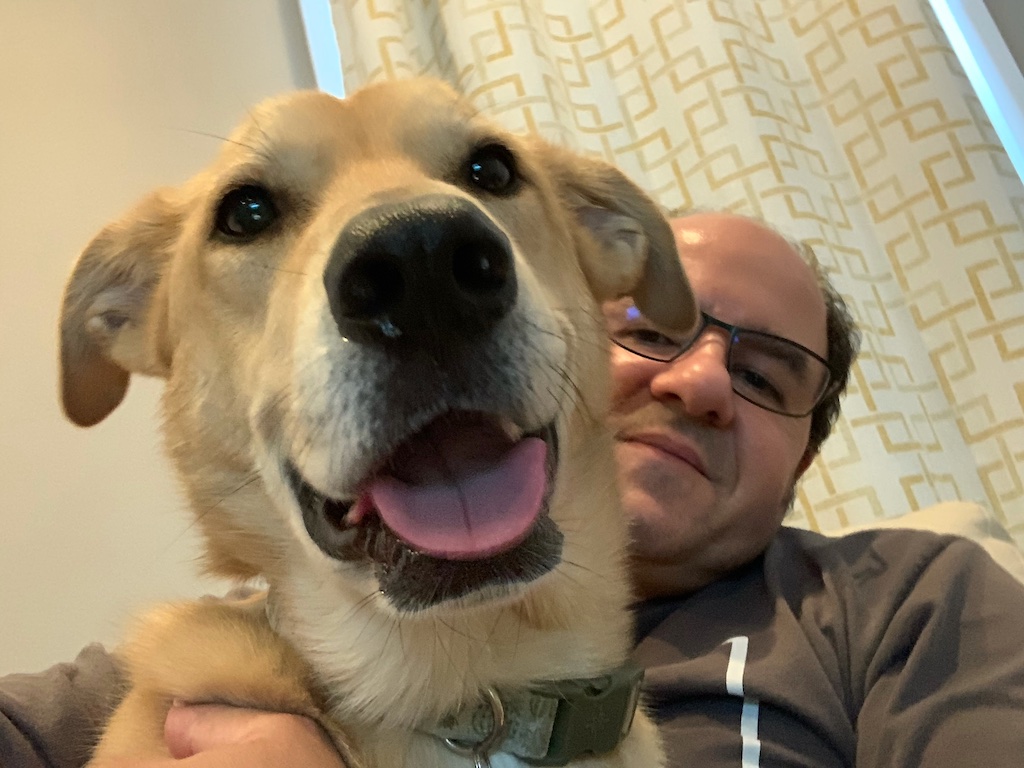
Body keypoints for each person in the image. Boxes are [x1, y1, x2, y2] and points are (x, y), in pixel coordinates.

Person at [4, 212, 1023, 767]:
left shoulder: (904, 599)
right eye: (649, 329)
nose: (700, 381)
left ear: (802, 461)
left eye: (765, 377)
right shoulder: (264, 632)